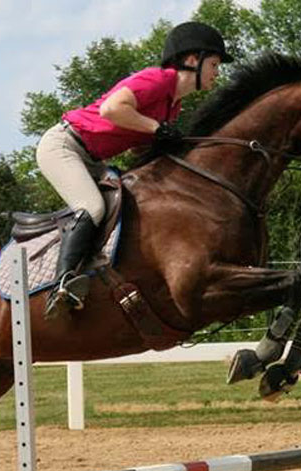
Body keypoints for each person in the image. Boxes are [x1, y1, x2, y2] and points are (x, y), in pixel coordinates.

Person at [36, 21, 234, 319]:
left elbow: (137, 146)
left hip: (93, 158)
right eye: (215, 64)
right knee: (91, 206)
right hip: (64, 146)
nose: (217, 72)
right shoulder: (158, 79)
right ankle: (62, 283)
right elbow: (111, 110)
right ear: (193, 60)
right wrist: (157, 129)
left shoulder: (173, 105)